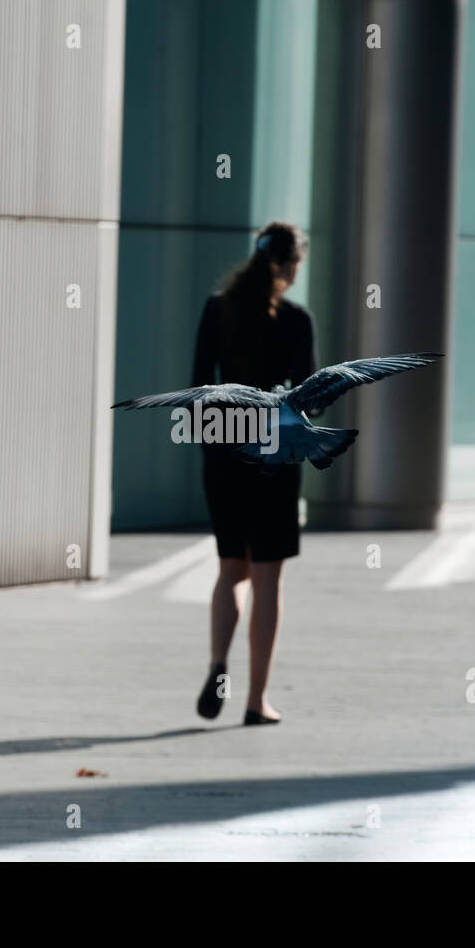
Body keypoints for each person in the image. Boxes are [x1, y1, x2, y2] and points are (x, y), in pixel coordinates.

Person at [190, 221, 316, 726]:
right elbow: (309, 397)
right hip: (273, 455)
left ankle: (218, 664)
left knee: (229, 570)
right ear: (290, 266)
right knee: (266, 579)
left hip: (223, 456)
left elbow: (198, 386)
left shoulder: (216, 309)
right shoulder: (296, 320)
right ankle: (254, 701)